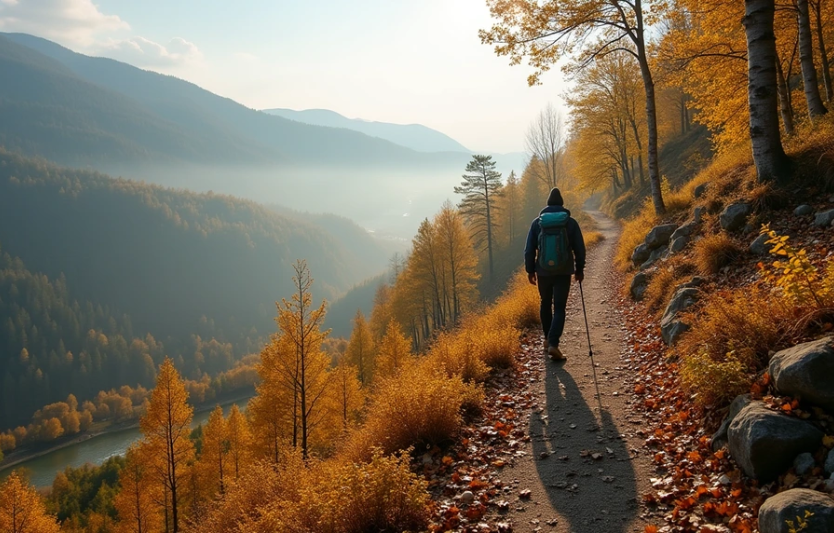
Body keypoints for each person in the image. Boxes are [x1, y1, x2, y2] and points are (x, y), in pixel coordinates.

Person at [524, 187, 586, 361]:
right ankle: (553, 343)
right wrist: (579, 269)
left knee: (545, 303)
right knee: (559, 307)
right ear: (562, 204)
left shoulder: (537, 223)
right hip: (563, 271)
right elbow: (580, 249)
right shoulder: (570, 223)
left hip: (543, 272)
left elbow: (529, 250)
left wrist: (530, 270)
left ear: (548, 205)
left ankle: (547, 339)